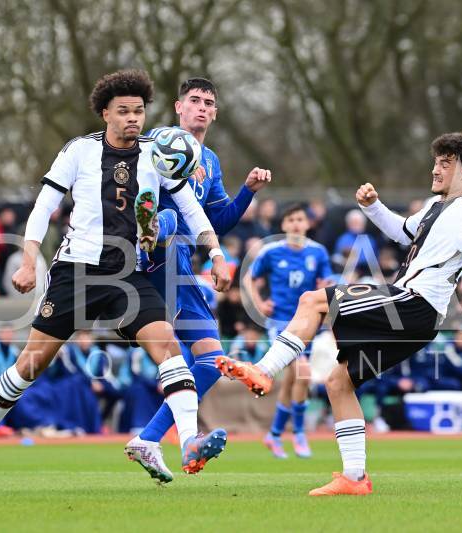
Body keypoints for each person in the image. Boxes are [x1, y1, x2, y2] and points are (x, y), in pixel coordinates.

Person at [216, 133, 462, 496]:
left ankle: (264, 371)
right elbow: (404, 233)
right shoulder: (437, 205)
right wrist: (373, 207)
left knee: (313, 301)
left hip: (412, 303)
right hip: (419, 318)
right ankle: (354, 478)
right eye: (436, 161)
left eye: (445, 163)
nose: (436, 169)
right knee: (338, 382)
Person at [0, 69, 232, 488]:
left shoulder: (156, 154)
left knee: (169, 348)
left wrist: (216, 254)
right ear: (105, 113)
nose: (132, 118)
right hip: (77, 272)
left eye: (138, 111)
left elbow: (192, 210)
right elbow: (43, 207)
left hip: (128, 275)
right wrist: (28, 262)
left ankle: (190, 441)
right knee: (30, 365)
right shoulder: (79, 151)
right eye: (123, 111)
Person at [125, 77, 271, 482]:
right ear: (178, 107)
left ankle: (149, 439)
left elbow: (216, 220)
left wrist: (247, 191)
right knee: (169, 220)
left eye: (208, 102)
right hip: (153, 255)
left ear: (215, 113)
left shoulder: (210, 161)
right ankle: (184, 438)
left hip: (181, 264)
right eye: (194, 100)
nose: (202, 107)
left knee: (209, 359)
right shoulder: (158, 142)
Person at [248, 204, 332, 459]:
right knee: (302, 372)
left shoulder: (318, 252)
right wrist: (259, 303)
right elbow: (250, 278)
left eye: (300, 219)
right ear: (284, 225)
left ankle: (274, 435)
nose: (296, 223)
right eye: (291, 219)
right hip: (280, 322)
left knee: (293, 379)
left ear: (307, 224)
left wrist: (326, 288)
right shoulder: (271, 251)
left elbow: (326, 282)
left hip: (308, 322)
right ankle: (298, 433)